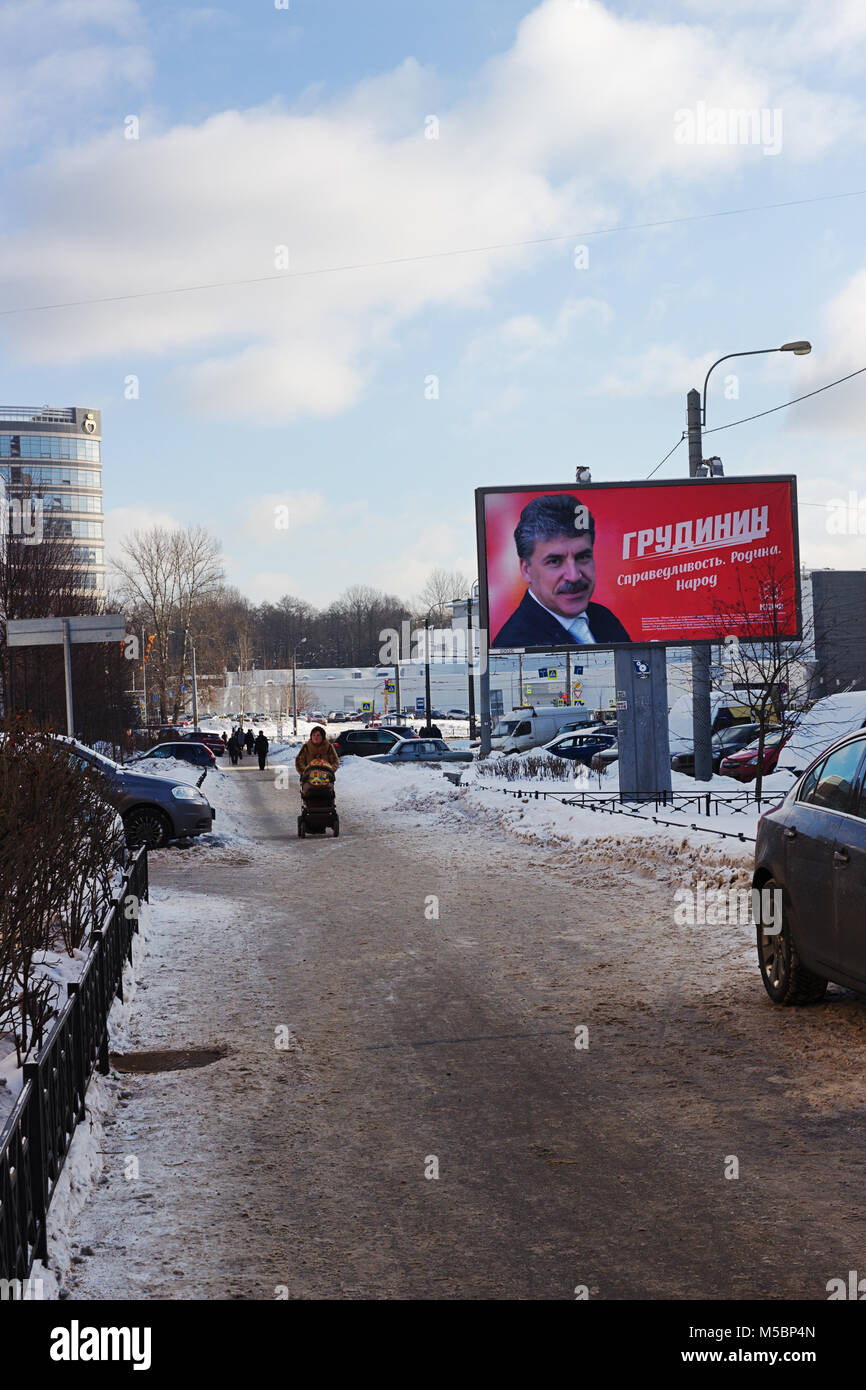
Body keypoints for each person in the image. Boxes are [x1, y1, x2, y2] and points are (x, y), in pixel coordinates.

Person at [492, 493, 630, 648]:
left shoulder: (605, 619)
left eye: (582, 557)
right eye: (555, 561)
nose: (574, 576)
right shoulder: (513, 645)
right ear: (526, 570)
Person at [295, 724, 339, 795]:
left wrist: (330, 770)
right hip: (309, 778)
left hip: (325, 777)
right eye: (314, 735)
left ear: (323, 737)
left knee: (328, 793)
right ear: (311, 736)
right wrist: (304, 772)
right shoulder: (306, 747)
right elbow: (299, 761)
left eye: (318, 735)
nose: (316, 737)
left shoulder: (329, 747)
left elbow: (335, 761)